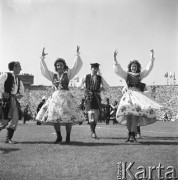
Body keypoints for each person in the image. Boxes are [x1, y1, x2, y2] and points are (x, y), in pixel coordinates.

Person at [36, 46, 85, 144]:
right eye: (57, 65)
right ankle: (59, 136)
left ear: (64, 66)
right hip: (55, 98)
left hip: (66, 98)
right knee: (55, 118)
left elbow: (76, 66)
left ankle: (68, 137)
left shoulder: (68, 74)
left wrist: (77, 55)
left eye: (61, 65)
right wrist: (42, 58)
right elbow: (44, 70)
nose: (59, 67)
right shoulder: (52, 75)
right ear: (56, 67)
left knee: (68, 118)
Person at [113, 49, 162, 143]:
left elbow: (148, 69)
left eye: (135, 66)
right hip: (128, 97)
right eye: (132, 66)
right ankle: (129, 135)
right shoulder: (126, 75)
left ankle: (133, 135)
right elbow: (119, 71)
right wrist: (115, 59)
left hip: (137, 97)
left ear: (137, 67)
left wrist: (151, 58)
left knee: (135, 116)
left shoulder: (140, 75)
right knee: (128, 116)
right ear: (130, 67)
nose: (133, 68)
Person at [78, 63, 109, 138]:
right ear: (91, 69)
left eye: (96, 68)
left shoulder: (100, 77)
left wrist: (100, 90)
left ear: (98, 69)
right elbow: (79, 85)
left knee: (96, 115)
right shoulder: (86, 76)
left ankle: (93, 130)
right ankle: (93, 132)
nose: (95, 70)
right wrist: (85, 89)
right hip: (89, 97)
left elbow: (106, 86)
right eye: (94, 68)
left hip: (97, 97)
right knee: (91, 113)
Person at [0, 61, 24, 143]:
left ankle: (8, 138)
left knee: (15, 118)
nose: (21, 68)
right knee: (4, 120)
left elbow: (22, 92)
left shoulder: (18, 79)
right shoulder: (6, 75)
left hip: (13, 100)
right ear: (15, 67)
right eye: (19, 66)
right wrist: (3, 92)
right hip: (4, 99)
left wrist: (19, 95)